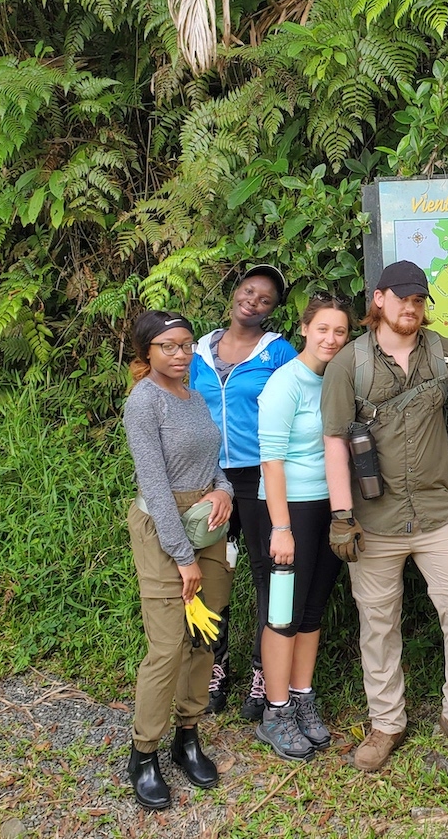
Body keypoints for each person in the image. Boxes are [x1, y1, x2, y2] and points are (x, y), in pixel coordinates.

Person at [321, 260, 448, 772]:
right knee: (377, 624)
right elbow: (334, 443)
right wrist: (341, 514)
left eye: (419, 300)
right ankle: (386, 723)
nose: (411, 308)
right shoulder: (348, 364)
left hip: (440, 512)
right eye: (402, 299)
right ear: (379, 299)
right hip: (374, 517)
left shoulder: (446, 354)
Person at [122, 311, 234, 809]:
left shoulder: (195, 397)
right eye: (167, 346)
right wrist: (182, 557)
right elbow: (155, 487)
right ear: (147, 352)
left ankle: (187, 735)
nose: (179, 354)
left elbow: (214, 461)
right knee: (167, 645)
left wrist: (225, 492)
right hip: (165, 531)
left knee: (203, 634)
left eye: (186, 344)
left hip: (206, 526)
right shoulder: (144, 403)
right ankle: (143, 752)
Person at [190, 264, 296, 718]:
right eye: (248, 291)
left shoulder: (278, 352)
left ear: (272, 311)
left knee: (265, 571)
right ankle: (214, 668)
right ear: (235, 291)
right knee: (211, 572)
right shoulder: (195, 350)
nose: (252, 301)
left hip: (258, 476)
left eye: (265, 299)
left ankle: (262, 673)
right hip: (206, 478)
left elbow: (300, 402)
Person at [253, 293, 352, 761]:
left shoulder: (336, 378)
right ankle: (275, 712)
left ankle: (302, 697)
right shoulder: (285, 383)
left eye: (340, 331)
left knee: (311, 612)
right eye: (323, 329)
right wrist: (281, 528)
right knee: (283, 614)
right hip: (285, 510)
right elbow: (271, 461)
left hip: (327, 508)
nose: (331, 339)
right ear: (305, 329)